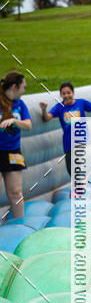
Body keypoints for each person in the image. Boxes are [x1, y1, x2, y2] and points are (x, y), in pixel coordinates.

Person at [39, 81, 91, 176]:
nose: (66, 95)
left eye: (68, 92)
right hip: (68, 144)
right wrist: (43, 109)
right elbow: (47, 118)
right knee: (71, 171)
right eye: (64, 93)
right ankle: (79, 189)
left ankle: (80, 188)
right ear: (61, 95)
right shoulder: (59, 107)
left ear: (73, 93)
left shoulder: (81, 103)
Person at [0, 72, 32, 220]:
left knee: (16, 192)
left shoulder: (20, 104)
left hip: (13, 151)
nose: (24, 90)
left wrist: (14, 121)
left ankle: (19, 224)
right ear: (14, 86)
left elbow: (28, 125)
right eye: (23, 87)